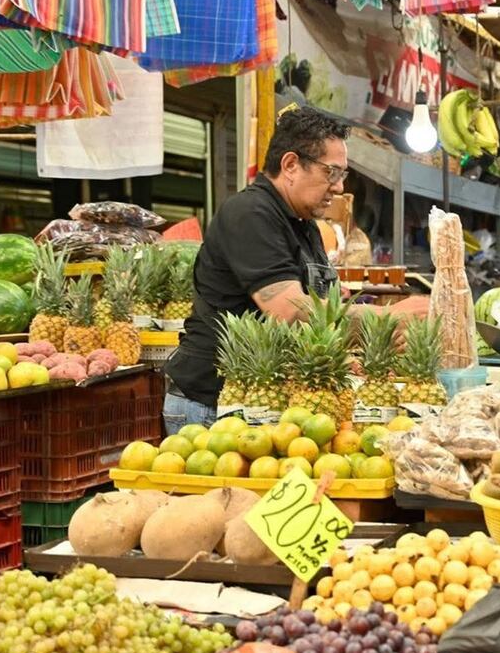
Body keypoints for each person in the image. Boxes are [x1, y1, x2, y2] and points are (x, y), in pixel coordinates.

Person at [163, 106, 427, 434]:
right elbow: (289, 312)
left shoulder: (305, 226)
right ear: (290, 165)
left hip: (265, 401)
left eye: (343, 175)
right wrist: (385, 319)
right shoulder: (251, 214)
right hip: (212, 406)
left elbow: (320, 315)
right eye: (331, 173)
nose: (339, 187)